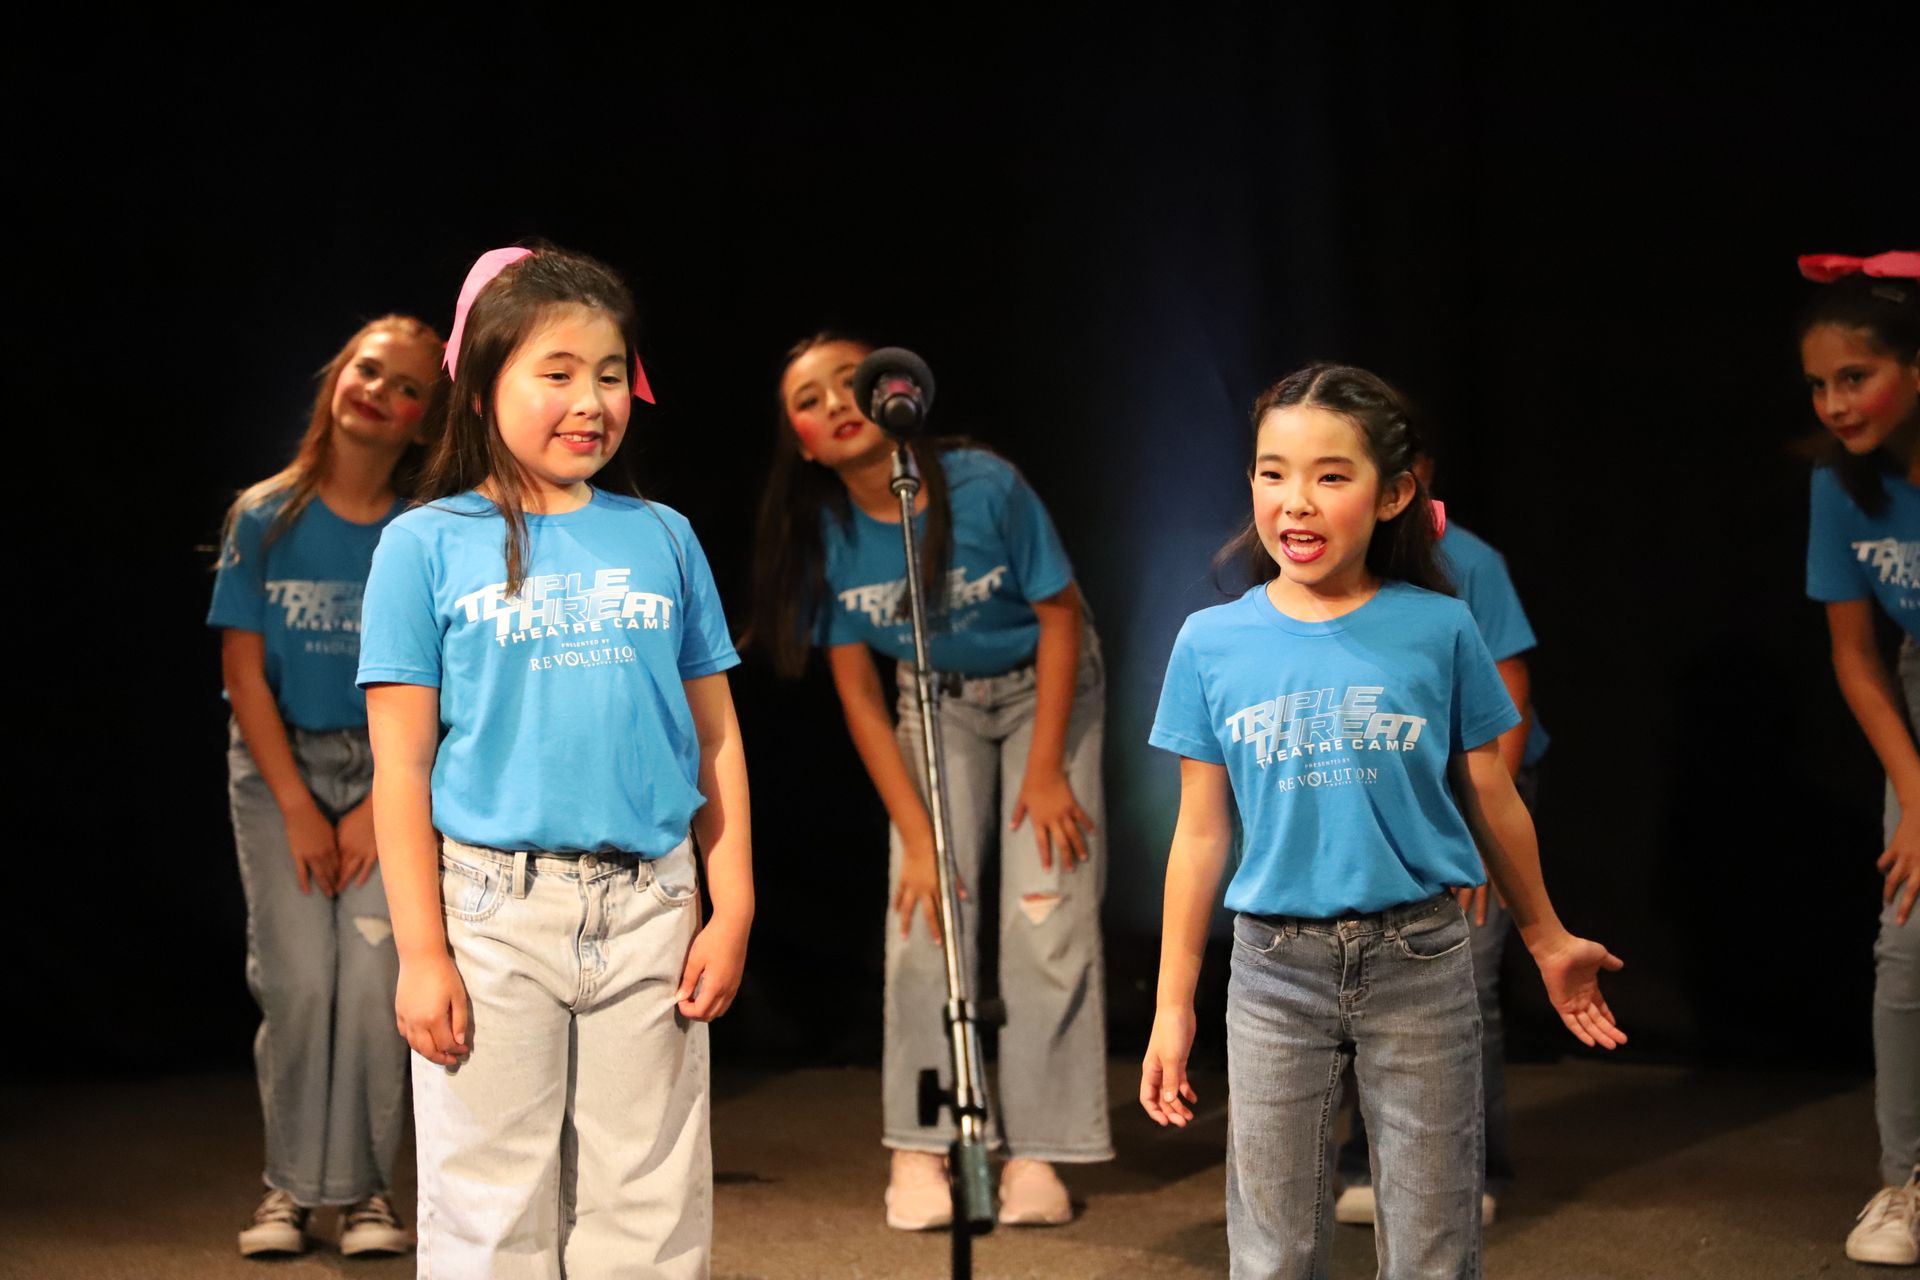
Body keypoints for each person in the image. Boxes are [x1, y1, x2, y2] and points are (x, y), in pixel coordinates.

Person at [1141, 362, 1623, 1278]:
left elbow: (1491, 792)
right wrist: (1173, 1005)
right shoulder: (1211, 642)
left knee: (1434, 1251)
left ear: (1395, 492)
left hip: (1422, 960)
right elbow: (1200, 832)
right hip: (1275, 970)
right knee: (1274, 1249)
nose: (1297, 502)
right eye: (1273, 472)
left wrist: (1548, 937)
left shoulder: (1438, 627)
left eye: (1332, 475)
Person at [358, 245, 753, 1279]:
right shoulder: (425, 543)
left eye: (611, 373)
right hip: (494, 911)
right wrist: (421, 951)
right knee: (490, 1207)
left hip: (653, 904)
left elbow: (714, 732)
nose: (590, 400)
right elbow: (399, 768)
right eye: (558, 372)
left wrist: (733, 896)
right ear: (484, 386)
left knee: (649, 1204)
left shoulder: (663, 535)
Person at [749, 334, 1112, 1229]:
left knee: (1046, 914)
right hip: (930, 704)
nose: (836, 401)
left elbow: (1060, 617)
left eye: (851, 380)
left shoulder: (983, 484)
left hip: (1045, 693)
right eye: (809, 398)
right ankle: (923, 1144)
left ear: (893, 392)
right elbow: (861, 696)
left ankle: (1037, 1152)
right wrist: (916, 835)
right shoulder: (825, 529)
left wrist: (1045, 772)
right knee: (924, 915)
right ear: (800, 440)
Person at [208, 314, 443, 1258]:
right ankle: (289, 1191)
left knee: (378, 979)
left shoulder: (422, 535)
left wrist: (380, 811)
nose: (379, 391)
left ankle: (368, 1195)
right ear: (336, 376)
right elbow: (241, 672)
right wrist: (304, 809)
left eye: (406, 386)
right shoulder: (266, 515)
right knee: (302, 984)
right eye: (366, 369)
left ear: (425, 421)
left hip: (390, 771)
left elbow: (434, 690)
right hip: (284, 773)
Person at [1333, 441, 1551, 1230]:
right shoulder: (1324, 561)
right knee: (1357, 974)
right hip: (1378, 782)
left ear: (1408, 477)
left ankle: (1472, 1167)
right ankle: (1365, 1158)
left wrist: (1474, 836)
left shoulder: (1468, 564)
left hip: (1467, 792)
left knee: (1463, 981)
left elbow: (1509, 696)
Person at [1798, 249, 1920, 1267]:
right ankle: (1908, 1179)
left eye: (1855, 376)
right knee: (1909, 934)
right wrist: (1917, 795)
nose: (1835, 403)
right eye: (1819, 384)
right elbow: (1857, 654)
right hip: (1914, 696)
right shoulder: (1844, 491)